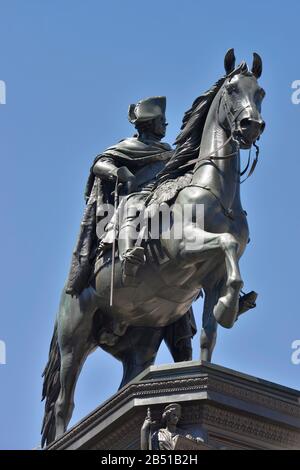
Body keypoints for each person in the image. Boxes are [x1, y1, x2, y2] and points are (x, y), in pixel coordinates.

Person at [66, 96, 173, 295]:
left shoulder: (169, 152)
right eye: (161, 120)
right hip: (139, 194)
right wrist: (119, 173)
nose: (166, 124)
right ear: (149, 123)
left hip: (166, 194)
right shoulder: (127, 147)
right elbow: (100, 164)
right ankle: (127, 259)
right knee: (133, 208)